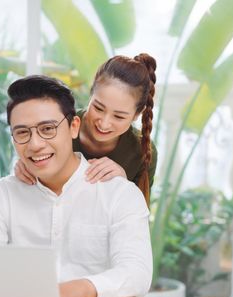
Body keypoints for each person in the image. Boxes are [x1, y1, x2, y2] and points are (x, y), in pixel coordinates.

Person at [0, 75, 152, 297]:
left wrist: (80, 289)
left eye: (48, 129)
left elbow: (137, 273)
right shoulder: (2, 195)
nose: (35, 144)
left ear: (73, 127)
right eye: (22, 133)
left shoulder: (120, 194)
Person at [15, 54, 157, 205]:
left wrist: (122, 184)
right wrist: (25, 165)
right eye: (98, 108)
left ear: (136, 114)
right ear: (91, 94)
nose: (104, 123)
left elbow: (138, 217)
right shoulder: (58, 126)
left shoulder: (141, 151)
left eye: (119, 117)